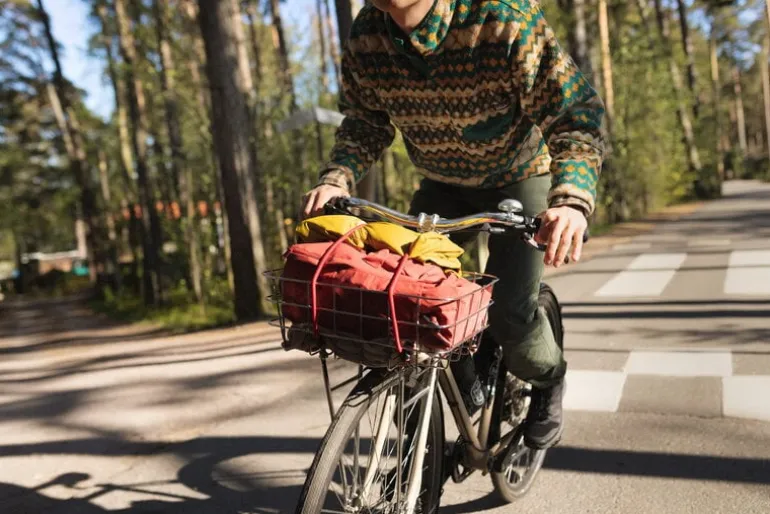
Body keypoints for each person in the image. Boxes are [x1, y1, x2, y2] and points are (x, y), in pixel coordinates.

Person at [302, 0, 605, 449]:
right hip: (442, 184)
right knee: (412, 302)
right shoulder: (369, 33)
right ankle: (456, 396)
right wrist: (337, 178)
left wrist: (571, 202)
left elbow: (575, 114)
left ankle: (548, 378)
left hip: (521, 176)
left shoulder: (501, 17)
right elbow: (366, 120)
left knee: (509, 315)